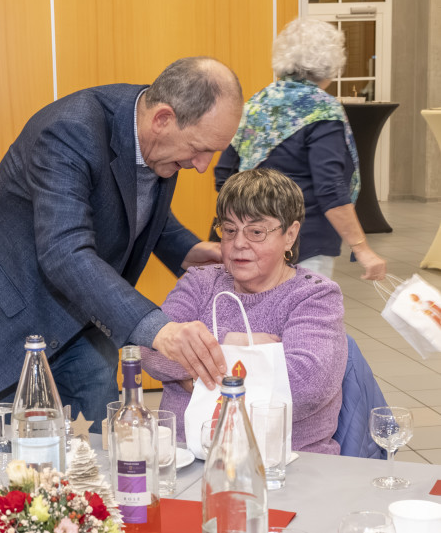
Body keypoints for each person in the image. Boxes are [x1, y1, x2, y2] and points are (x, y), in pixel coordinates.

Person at [0, 57, 244, 425]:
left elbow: (133, 203)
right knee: (1, 441)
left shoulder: (160, 138)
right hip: (6, 306)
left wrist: (188, 251)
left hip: (83, 311)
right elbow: (64, 252)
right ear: (163, 119)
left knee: (97, 439)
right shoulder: (70, 130)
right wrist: (159, 329)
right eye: (200, 149)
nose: (203, 165)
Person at [143, 168, 347, 454]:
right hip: (186, 454)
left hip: (283, 460)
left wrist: (196, 379)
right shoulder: (201, 281)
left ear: (290, 235)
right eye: (229, 230)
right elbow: (149, 351)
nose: (239, 243)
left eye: (256, 232)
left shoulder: (314, 295)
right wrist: (232, 342)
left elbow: (304, 386)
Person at [214, 18, 387, 281]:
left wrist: (253, 222)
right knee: (304, 308)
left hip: (246, 244)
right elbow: (330, 188)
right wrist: (362, 249)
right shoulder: (322, 112)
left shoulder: (257, 105)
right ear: (331, 63)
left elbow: (224, 175)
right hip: (303, 244)